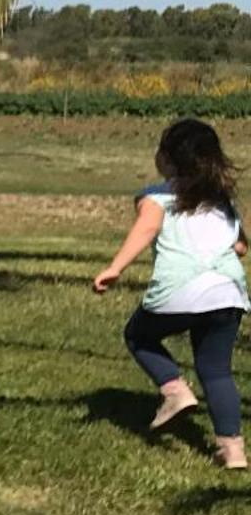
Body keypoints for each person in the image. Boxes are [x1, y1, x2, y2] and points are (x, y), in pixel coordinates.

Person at [93, 117, 248, 469]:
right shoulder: (221, 200)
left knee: (138, 335)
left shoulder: (157, 196)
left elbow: (147, 228)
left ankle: (174, 390)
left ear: (167, 160)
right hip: (227, 293)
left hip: (180, 289)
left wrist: (115, 267)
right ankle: (233, 450)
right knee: (217, 371)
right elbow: (239, 247)